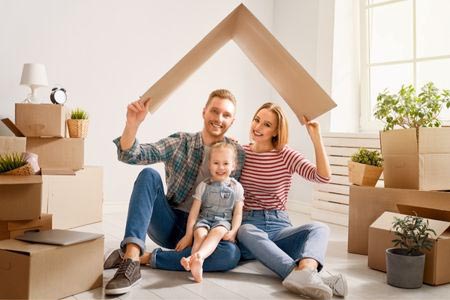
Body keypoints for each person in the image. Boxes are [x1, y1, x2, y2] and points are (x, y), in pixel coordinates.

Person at [104, 89, 245, 295]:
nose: (219, 119)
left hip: (208, 231)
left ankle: (145, 258)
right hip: (170, 224)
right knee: (149, 175)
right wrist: (132, 124)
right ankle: (132, 259)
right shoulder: (181, 142)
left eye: (226, 115)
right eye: (214, 111)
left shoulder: (238, 154)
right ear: (204, 112)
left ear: (232, 121)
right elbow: (132, 155)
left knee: (231, 255)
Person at [237, 102, 348, 299]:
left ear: (276, 131)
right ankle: (308, 277)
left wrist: (316, 138)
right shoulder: (240, 153)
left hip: (280, 226)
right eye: (256, 120)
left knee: (320, 228)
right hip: (249, 227)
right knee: (245, 230)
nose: (258, 127)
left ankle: (305, 272)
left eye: (267, 124)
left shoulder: (285, 154)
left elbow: (322, 177)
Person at [177, 142, 244, 282]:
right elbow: (194, 213)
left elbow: (238, 213)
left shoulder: (236, 187)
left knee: (216, 233)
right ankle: (197, 265)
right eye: (216, 163)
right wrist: (189, 233)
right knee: (200, 235)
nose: (220, 167)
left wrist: (234, 231)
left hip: (223, 221)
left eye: (226, 163)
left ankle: (195, 257)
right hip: (204, 219)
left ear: (234, 165)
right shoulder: (203, 186)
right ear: (209, 165)